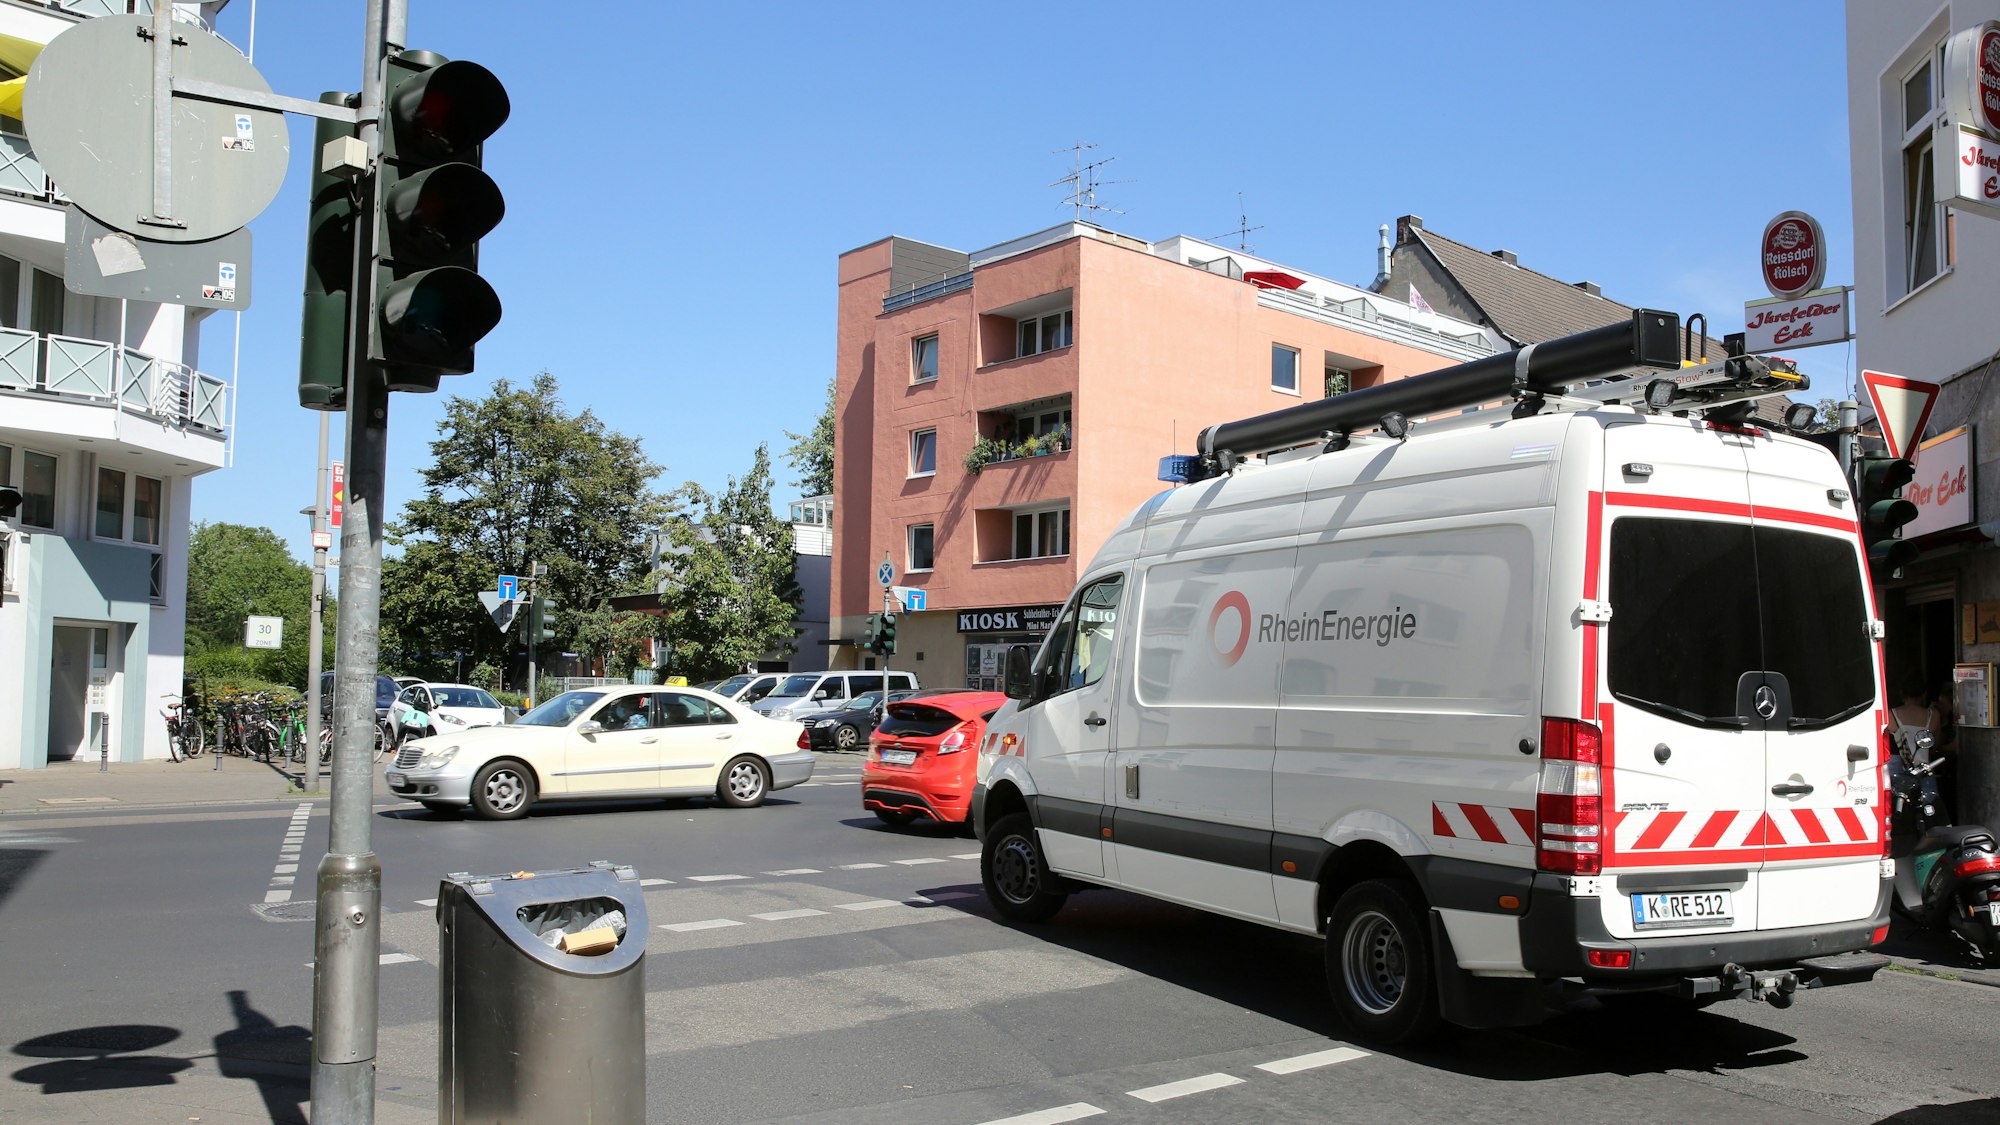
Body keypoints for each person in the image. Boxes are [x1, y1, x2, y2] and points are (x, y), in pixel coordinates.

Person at [1891, 674, 1940, 766]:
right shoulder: (1934, 715)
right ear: (1924, 694)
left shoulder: (1890, 715)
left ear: (1901, 693)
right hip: (1924, 768)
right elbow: (1935, 744)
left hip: (1897, 768)